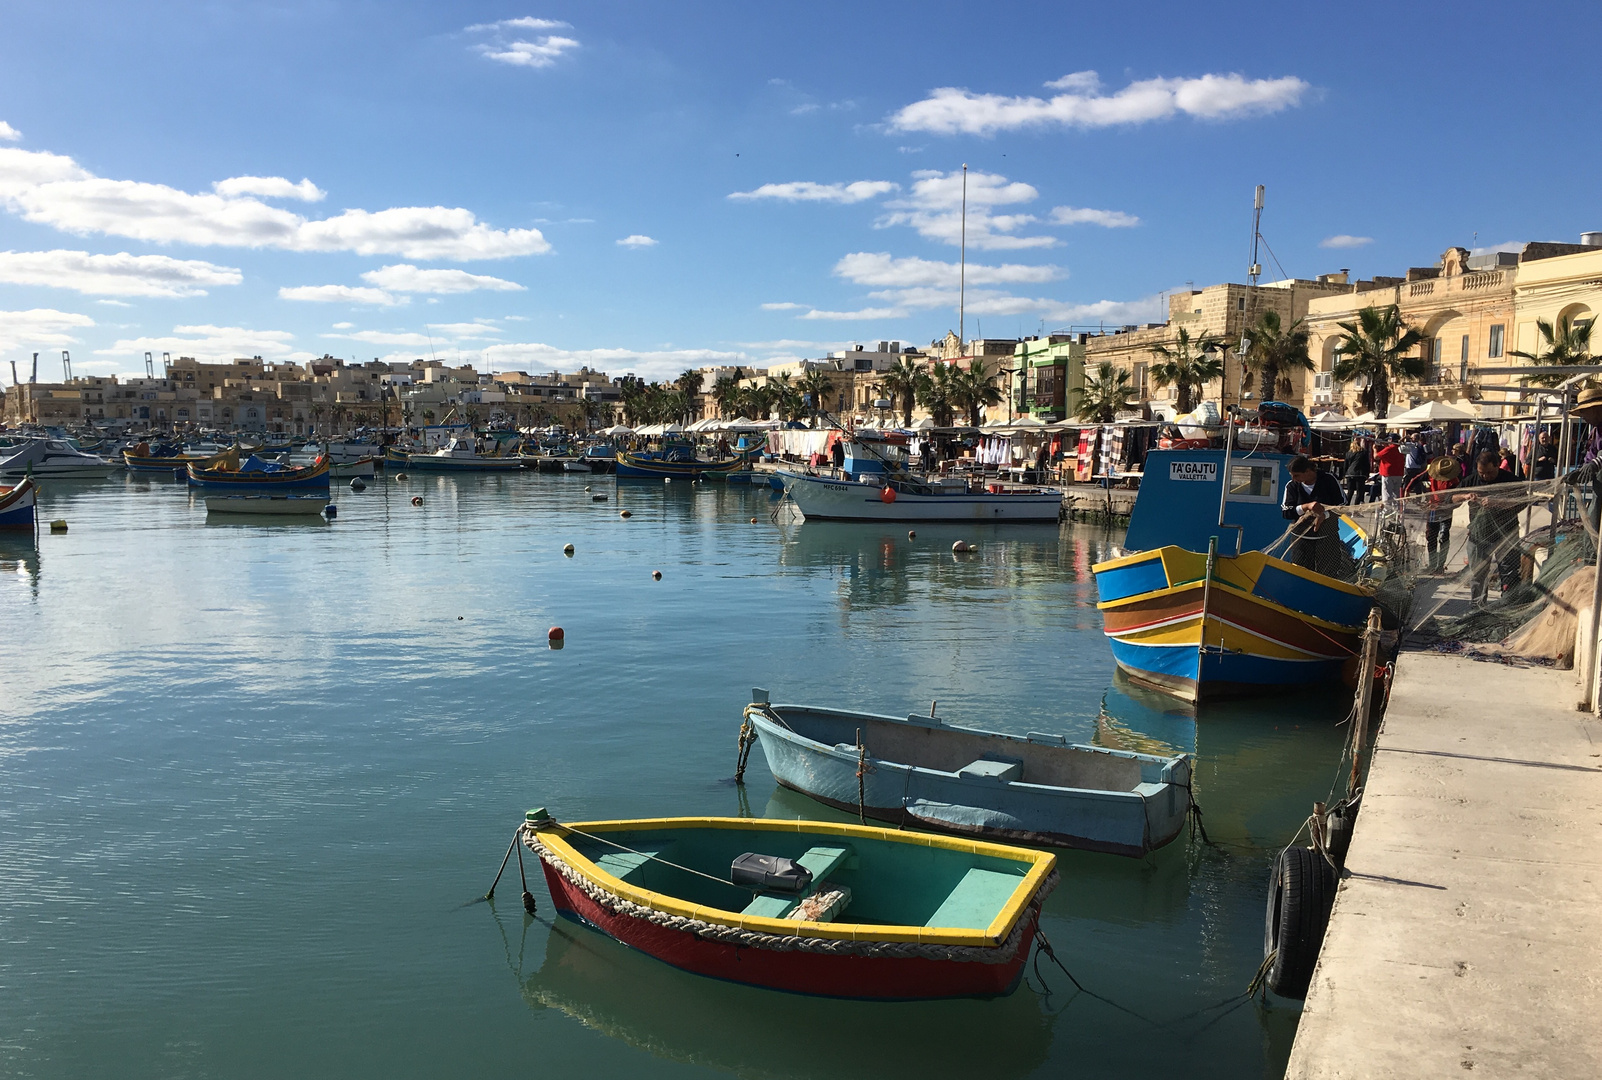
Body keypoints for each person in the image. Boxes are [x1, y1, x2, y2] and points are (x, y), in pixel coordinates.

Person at [1454, 451, 1521, 603]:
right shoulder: (1472, 480)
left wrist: (1499, 502)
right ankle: (1477, 608)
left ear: (1498, 466)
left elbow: (1523, 501)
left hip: (1506, 534)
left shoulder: (1510, 480)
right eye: (1481, 473)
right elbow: (1451, 497)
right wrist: (1464, 496)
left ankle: (1507, 605)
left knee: (1509, 573)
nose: (1485, 477)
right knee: (1478, 574)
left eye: (1489, 473)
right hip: (1479, 536)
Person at [1280, 455, 1347, 571]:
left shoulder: (1328, 480)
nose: (1294, 479)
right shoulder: (1292, 486)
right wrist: (1306, 507)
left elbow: (1342, 505)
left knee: (1329, 572)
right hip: (1301, 539)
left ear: (1307, 471)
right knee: (1300, 572)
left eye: (1297, 475)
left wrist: (1324, 515)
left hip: (1327, 538)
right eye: (1292, 476)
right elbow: (1286, 512)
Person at [1421, 455, 1461, 573]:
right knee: (1431, 536)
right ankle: (1432, 564)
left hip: (1446, 510)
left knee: (1444, 536)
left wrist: (1450, 505)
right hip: (1433, 509)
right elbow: (1416, 481)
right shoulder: (1430, 475)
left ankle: (1440, 566)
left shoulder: (1455, 481)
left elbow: (1457, 496)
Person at [1374, 435, 1405, 502]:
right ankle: (1396, 509)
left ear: (1391, 440)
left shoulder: (1389, 449)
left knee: (1387, 493)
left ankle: (1387, 509)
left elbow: (1376, 457)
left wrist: (1375, 449)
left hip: (1388, 473)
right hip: (1399, 473)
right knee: (1396, 493)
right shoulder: (1401, 448)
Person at [1342, 437, 1370, 505]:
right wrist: (1367, 474)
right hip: (1360, 474)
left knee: (1350, 492)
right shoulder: (1363, 452)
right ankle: (1355, 508)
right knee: (1359, 492)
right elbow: (1367, 464)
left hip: (1349, 473)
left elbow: (1346, 464)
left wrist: (1345, 474)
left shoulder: (1348, 453)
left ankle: (1346, 505)